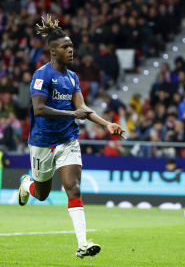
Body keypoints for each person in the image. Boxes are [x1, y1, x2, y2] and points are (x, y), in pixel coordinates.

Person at [17, 15, 126, 260]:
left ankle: (83, 244)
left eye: (71, 47)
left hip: (67, 139)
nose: (71, 51)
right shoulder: (41, 75)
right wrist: (71, 113)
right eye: (66, 47)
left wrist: (107, 123)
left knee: (73, 188)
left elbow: (83, 109)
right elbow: (39, 109)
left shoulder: (72, 77)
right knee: (42, 194)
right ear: (53, 51)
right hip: (42, 142)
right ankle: (27, 186)